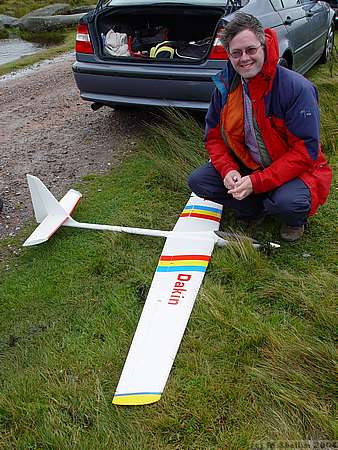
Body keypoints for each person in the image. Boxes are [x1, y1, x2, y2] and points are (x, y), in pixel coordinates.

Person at [188, 13, 332, 241]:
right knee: (199, 181)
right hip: (249, 165)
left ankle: (294, 220)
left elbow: (306, 152)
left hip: (295, 170)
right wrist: (229, 171)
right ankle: (253, 209)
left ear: (263, 45)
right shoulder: (225, 87)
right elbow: (213, 138)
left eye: (250, 50)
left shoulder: (296, 89)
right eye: (236, 53)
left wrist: (257, 182)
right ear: (228, 55)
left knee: (289, 203)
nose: (244, 58)